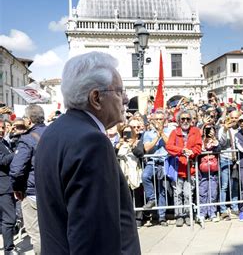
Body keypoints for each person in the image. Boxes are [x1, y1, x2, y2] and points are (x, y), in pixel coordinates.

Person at [34, 52, 140, 254]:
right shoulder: (92, 142)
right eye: (119, 91)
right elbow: (94, 238)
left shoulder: (54, 132)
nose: (125, 99)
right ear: (96, 98)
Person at [9, 104, 47, 254]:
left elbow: (16, 170)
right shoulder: (54, 133)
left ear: (30, 120)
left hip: (32, 193)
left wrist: (17, 188)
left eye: (24, 117)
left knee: (36, 233)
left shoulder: (27, 139)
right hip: (55, 191)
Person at [166, 110, 202, 227]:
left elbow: (198, 146)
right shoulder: (174, 132)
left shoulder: (195, 131)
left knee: (187, 193)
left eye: (187, 119)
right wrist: (182, 151)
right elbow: (169, 146)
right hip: (177, 168)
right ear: (179, 120)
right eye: (183, 119)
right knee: (178, 193)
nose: (185, 121)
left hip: (190, 168)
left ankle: (187, 214)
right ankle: (179, 216)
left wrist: (191, 153)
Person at [0, 119, 17, 254]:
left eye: (3, 128)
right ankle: (9, 249)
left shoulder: (4, 142)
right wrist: (16, 154)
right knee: (9, 218)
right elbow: (2, 161)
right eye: (0, 127)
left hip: (6, 186)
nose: (2, 130)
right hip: (3, 188)